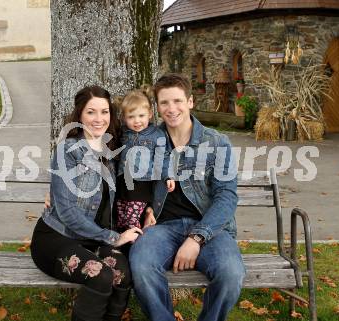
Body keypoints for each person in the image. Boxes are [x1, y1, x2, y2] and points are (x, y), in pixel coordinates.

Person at [129, 74, 246, 321]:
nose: (172, 109)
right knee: (141, 267)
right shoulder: (148, 141)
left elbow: (226, 196)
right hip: (161, 228)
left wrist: (197, 238)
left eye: (178, 101)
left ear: (190, 101)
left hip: (210, 228)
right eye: (164, 103)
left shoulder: (216, 142)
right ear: (157, 108)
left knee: (231, 273)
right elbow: (119, 172)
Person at [30, 86, 142, 321]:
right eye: (91, 112)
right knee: (100, 274)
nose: (99, 119)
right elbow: (67, 213)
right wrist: (114, 238)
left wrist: (149, 208)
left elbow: (149, 134)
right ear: (80, 114)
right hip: (56, 237)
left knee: (122, 274)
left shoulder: (112, 149)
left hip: (92, 239)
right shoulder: (67, 150)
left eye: (104, 112)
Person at [115, 88, 175, 231]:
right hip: (122, 182)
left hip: (142, 184)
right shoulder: (123, 133)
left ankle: (136, 239)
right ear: (124, 118)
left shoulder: (157, 135)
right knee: (121, 216)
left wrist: (168, 176)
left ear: (149, 114)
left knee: (132, 218)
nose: (137, 121)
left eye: (141, 115)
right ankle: (124, 244)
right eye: (131, 117)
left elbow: (164, 158)